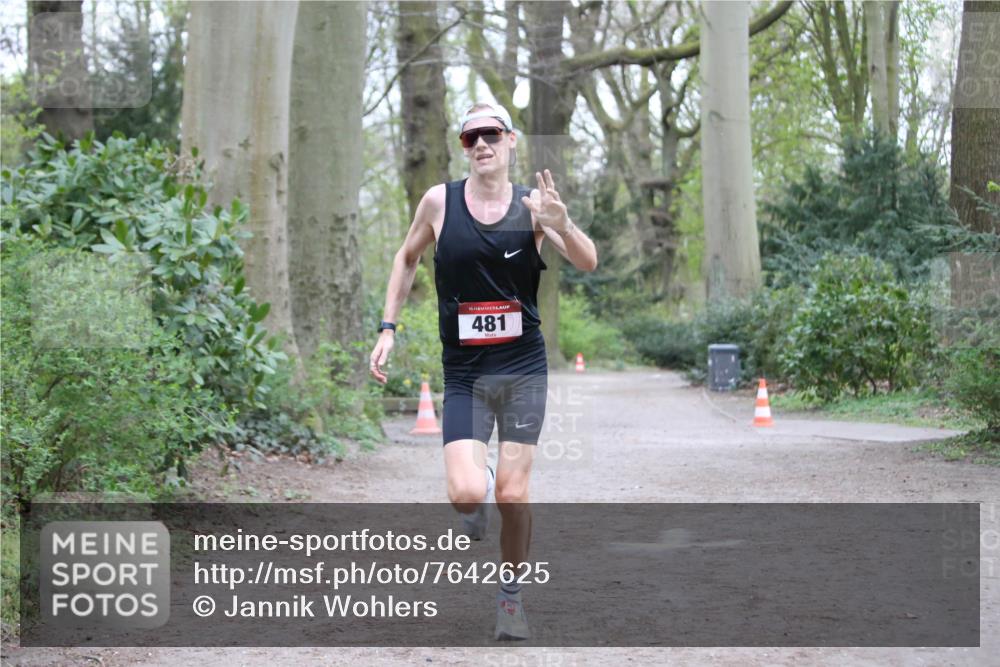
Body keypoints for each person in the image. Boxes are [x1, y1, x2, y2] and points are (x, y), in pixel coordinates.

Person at [368, 102, 598, 640]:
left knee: (514, 496)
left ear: (510, 139)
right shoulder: (438, 203)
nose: (481, 144)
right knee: (467, 495)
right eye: (470, 137)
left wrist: (562, 223)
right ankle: (481, 482)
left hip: (522, 366)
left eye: (490, 133)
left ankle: (511, 600)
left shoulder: (535, 206)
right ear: (463, 146)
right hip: (466, 370)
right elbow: (406, 259)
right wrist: (387, 328)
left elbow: (588, 261)